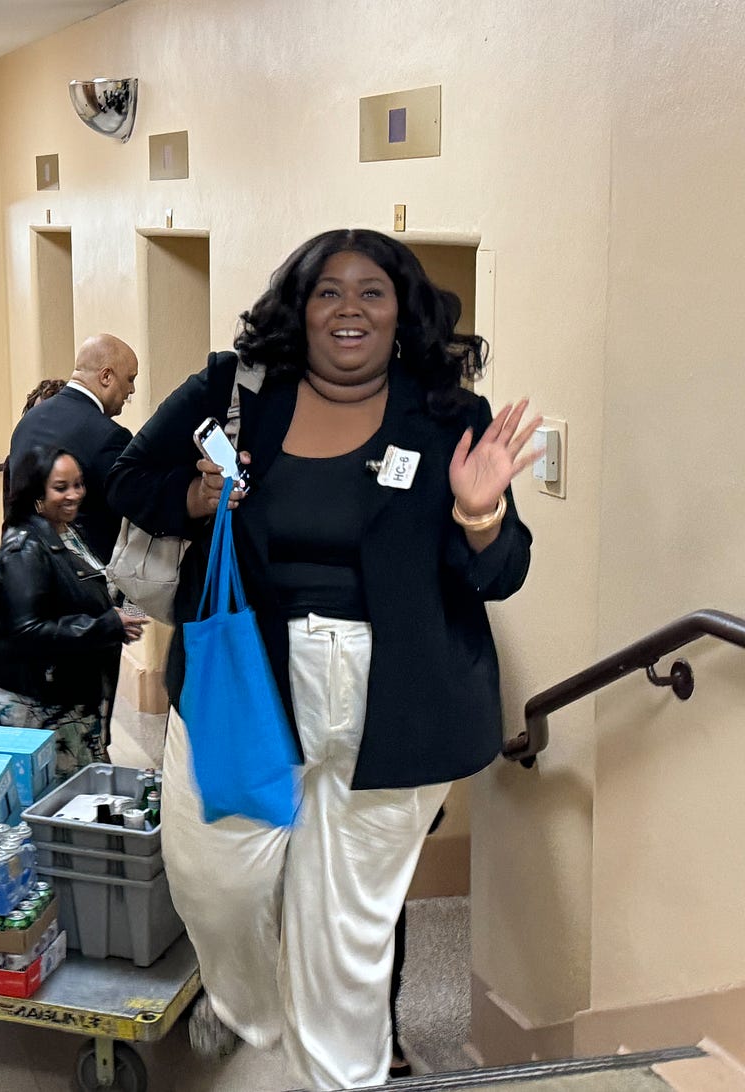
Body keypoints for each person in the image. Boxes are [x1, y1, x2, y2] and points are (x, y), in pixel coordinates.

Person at [108, 228, 539, 1089]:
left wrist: (479, 515)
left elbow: (500, 573)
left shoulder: (449, 413)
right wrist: (194, 495)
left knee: (347, 925)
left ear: (402, 308)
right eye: (328, 291)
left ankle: (338, 1074)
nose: (350, 308)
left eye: (372, 291)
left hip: (396, 695)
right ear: (297, 308)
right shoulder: (234, 389)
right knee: (214, 878)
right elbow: (126, 481)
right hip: (246, 675)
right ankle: (251, 1011)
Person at [0, 446, 146, 776]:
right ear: (36, 491)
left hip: (67, 699)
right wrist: (105, 626)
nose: (74, 495)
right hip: (36, 706)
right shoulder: (23, 548)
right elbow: (26, 631)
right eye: (61, 487)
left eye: (78, 484)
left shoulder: (64, 531)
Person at [7, 335, 139, 562]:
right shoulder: (109, 436)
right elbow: (132, 510)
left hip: (27, 563)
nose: (132, 390)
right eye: (130, 379)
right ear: (106, 376)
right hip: (82, 579)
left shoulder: (27, 422)